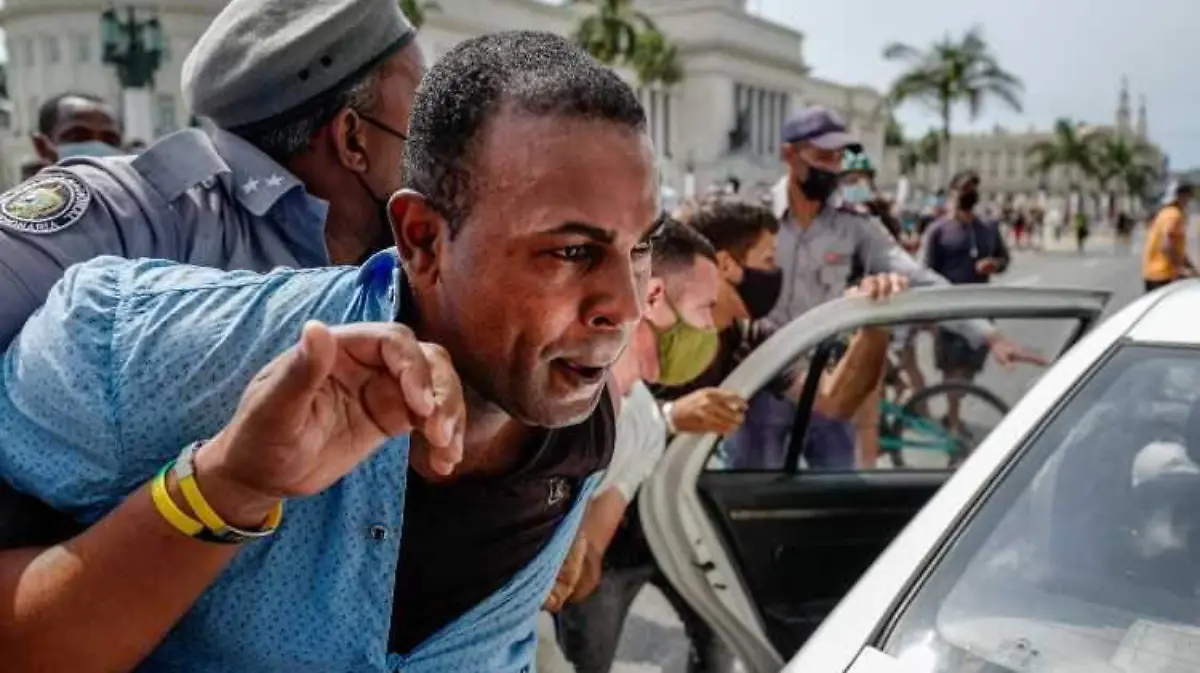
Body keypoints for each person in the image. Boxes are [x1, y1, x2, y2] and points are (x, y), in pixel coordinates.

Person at [0, 30, 656, 673]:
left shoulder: (585, 425)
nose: (625, 306)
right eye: (570, 251)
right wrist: (225, 486)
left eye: (641, 246)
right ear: (423, 239)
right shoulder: (161, 345)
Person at [0, 0, 425, 566]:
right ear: (353, 138)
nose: (439, 146)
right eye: (423, 117)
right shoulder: (136, 216)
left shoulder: (417, 251)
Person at [0, 0, 424, 349]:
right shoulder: (132, 217)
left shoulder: (424, 243)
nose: (439, 132)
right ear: (352, 140)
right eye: (421, 103)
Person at [747, 106, 1038, 471]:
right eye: (823, 156)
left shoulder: (856, 227)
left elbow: (921, 280)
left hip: (829, 389)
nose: (834, 168)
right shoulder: (749, 217)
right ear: (789, 154)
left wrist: (989, 335)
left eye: (840, 157)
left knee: (831, 504)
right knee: (747, 507)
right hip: (760, 389)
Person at [545, 218, 722, 673]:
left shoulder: (644, 423)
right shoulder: (547, 385)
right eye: (706, 309)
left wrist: (568, 567)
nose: (710, 329)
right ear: (655, 297)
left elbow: (589, 560)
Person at [923, 169, 1012, 437]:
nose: (968, 192)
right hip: (948, 310)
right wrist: (929, 314)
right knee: (951, 368)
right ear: (952, 191)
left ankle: (953, 412)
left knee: (968, 370)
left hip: (980, 311)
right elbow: (925, 271)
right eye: (963, 187)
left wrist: (994, 264)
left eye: (973, 187)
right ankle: (953, 420)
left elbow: (1004, 259)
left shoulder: (988, 228)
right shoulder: (938, 231)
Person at [32, 93, 124, 163]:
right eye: (78, 137)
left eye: (110, 141)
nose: (96, 147)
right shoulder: (29, 188)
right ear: (41, 147)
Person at [1142, 182, 1196, 292]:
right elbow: (1166, 246)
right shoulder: (1174, 215)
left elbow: (1175, 248)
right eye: (1187, 196)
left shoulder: (1165, 213)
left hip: (1154, 273)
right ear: (1180, 196)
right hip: (1162, 275)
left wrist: (1191, 267)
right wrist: (1180, 268)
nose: (1188, 200)